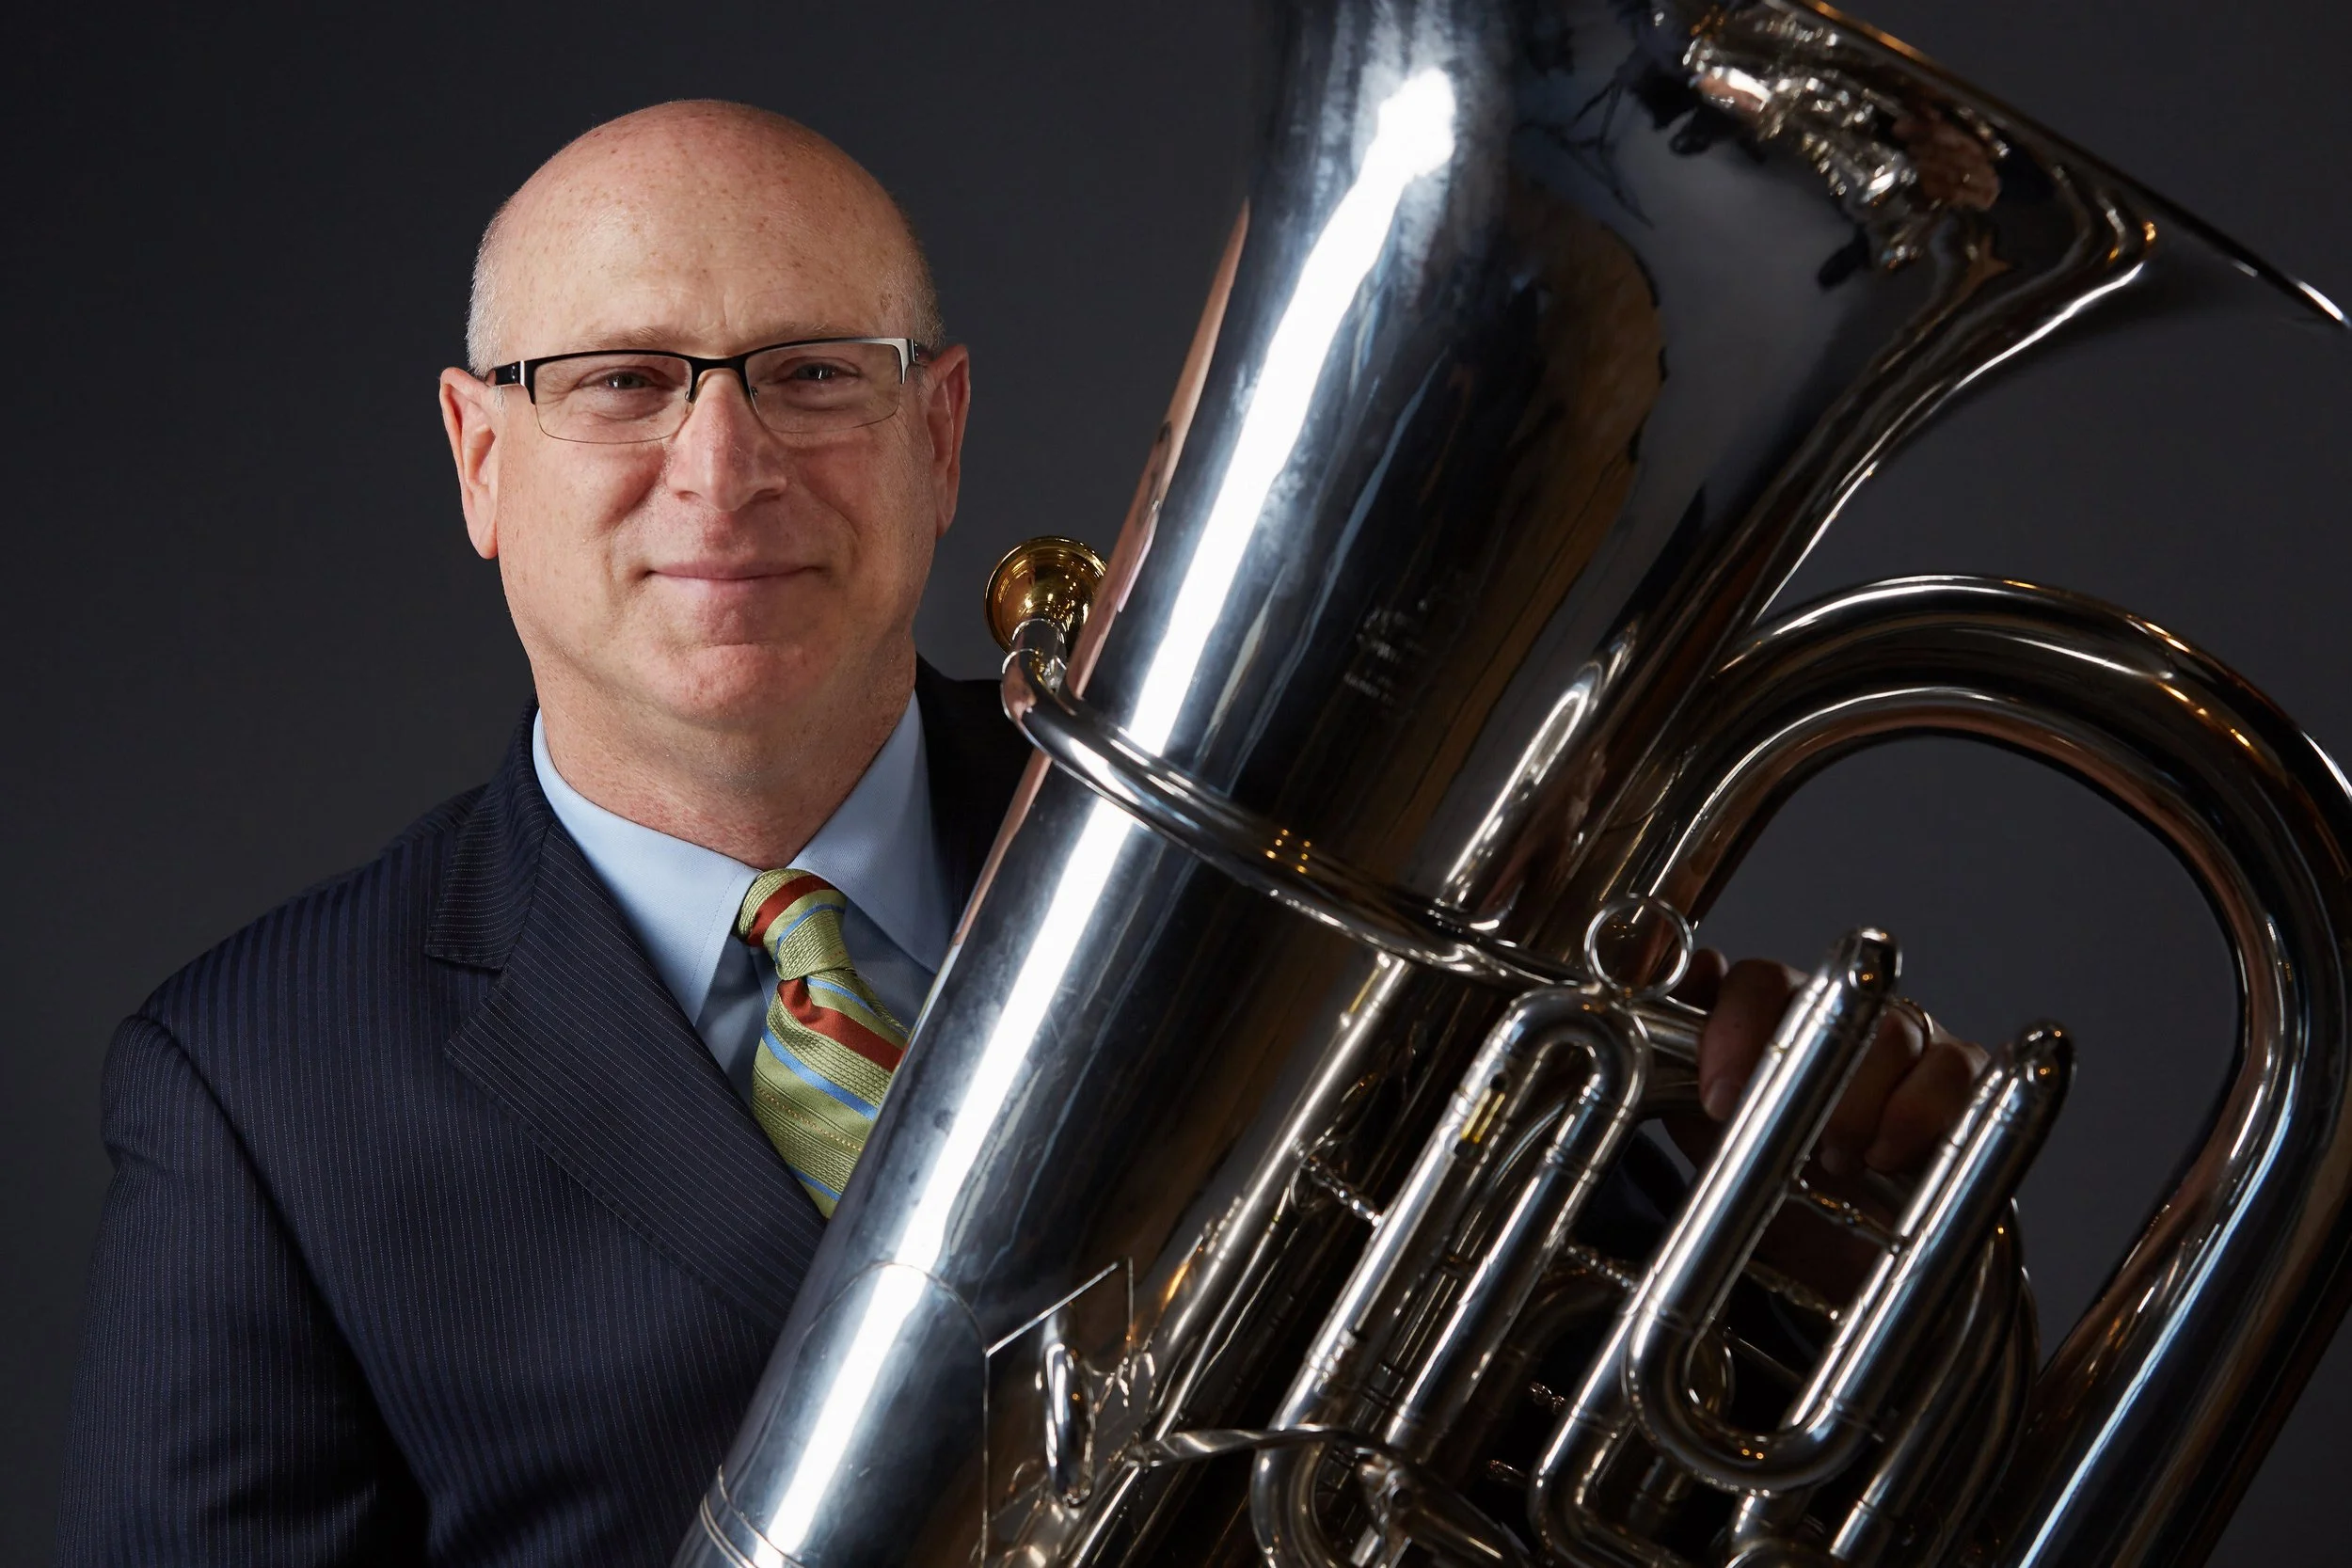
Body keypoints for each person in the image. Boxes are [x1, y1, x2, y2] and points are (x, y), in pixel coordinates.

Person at [57, 101, 1982, 1565]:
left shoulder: (1295, 865)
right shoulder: (257, 1088)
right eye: (621, 381)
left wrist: (1820, 1251)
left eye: (813, 372)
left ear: (940, 435)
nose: (721, 467)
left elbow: (1706, 1457)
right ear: (483, 459)